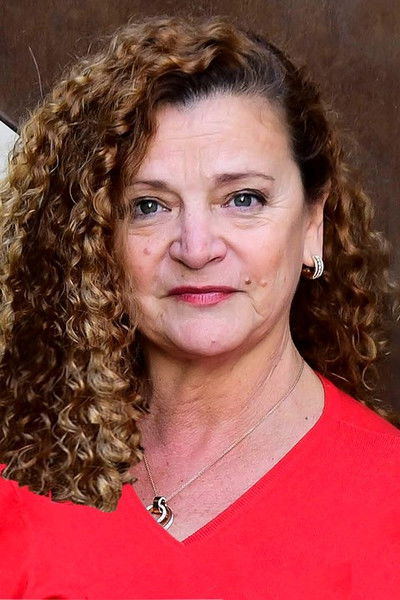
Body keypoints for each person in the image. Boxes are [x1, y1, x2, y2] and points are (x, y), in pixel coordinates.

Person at [0, 14, 399, 600]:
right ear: (96, 236)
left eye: (243, 199)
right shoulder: (17, 469)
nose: (196, 248)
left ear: (313, 224)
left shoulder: (390, 504)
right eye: (149, 206)